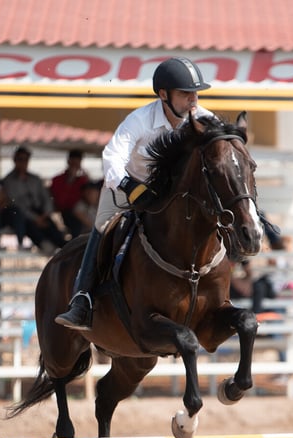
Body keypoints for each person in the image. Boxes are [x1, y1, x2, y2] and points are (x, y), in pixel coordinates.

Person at [55, 57, 213, 330]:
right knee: (104, 227)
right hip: (128, 188)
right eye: (185, 94)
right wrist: (130, 186)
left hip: (172, 194)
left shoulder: (204, 119)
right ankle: (82, 300)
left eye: (195, 93)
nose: (193, 100)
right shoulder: (139, 120)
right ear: (163, 95)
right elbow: (112, 157)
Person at [2, 146, 66, 256]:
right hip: (23, 215)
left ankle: (65, 251)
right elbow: (16, 203)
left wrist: (45, 214)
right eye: (20, 159)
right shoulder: (8, 181)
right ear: (15, 160)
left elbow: (46, 197)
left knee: (55, 232)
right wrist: (35, 218)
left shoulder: (35, 179)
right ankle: (46, 247)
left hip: (40, 212)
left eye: (25, 159)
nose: (23, 163)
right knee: (29, 225)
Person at [50, 149, 90, 239]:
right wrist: (70, 181)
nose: (75, 167)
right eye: (73, 164)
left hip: (83, 212)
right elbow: (60, 202)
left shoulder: (83, 180)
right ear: (68, 162)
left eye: (77, 164)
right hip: (67, 213)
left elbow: (89, 199)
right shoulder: (57, 180)